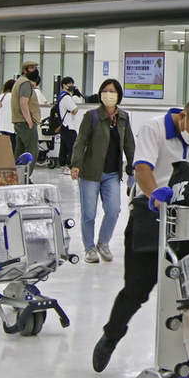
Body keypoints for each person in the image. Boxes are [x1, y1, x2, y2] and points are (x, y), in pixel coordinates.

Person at [92, 95, 189, 375]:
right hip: (150, 212)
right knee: (136, 290)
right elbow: (142, 168)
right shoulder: (155, 128)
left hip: (188, 221)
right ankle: (111, 336)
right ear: (183, 118)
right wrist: (155, 195)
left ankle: (187, 364)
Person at [71, 79, 134, 265]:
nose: (108, 94)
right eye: (104, 91)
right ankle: (89, 248)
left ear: (119, 95)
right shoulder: (92, 116)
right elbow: (80, 141)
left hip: (113, 173)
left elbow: (129, 144)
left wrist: (133, 166)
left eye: (112, 91)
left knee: (114, 210)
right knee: (89, 213)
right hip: (90, 173)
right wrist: (76, 163)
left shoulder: (123, 118)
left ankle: (103, 243)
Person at [11, 61, 41, 167]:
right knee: (32, 150)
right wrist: (29, 121)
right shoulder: (25, 83)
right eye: (32, 68)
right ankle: (26, 177)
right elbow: (23, 103)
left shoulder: (19, 81)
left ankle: (15, 176)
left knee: (20, 151)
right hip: (25, 121)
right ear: (25, 70)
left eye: (36, 67)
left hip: (19, 121)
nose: (35, 70)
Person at [56, 76, 80, 173]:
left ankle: (62, 164)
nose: (71, 86)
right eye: (69, 85)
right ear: (64, 85)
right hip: (69, 126)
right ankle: (69, 166)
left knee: (64, 147)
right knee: (72, 147)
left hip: (63, 126)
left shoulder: (60, 96)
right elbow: (75, 109)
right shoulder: (67, 97)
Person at [0, 79, 16, 150]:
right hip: (11, 126)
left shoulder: (1, 96)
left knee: (5, 148)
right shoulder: (13, 96)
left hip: (1, 125)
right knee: (13, 148)